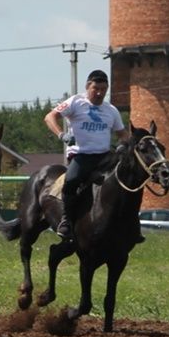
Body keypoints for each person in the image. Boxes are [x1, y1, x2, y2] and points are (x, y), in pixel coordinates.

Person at [43, 69, 129, 239]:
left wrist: (124, 145)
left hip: (105, 156)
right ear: (87, 87)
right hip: (81, 156)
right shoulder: (76, 102)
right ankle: (66, 220)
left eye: (103, 90)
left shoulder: (111, 110)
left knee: (126, 179)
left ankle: (129, 223)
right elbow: (50, 117)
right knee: (72, 180)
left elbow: (123, 134)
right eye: (95, 89)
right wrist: (62, 134)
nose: (99, 93)